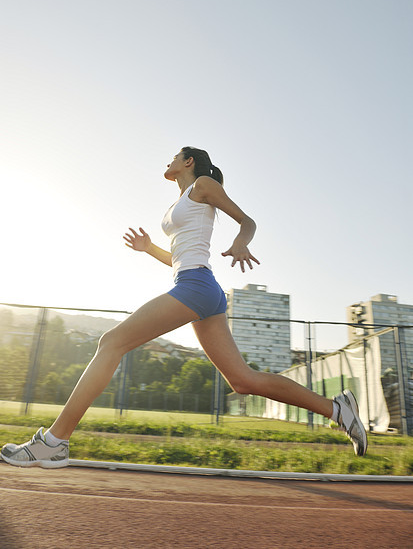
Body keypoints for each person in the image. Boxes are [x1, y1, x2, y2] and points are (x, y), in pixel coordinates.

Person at [1, 147, 367, 468]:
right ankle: (337, 410)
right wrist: (149, 249)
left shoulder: (203, 185)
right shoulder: (180, 203)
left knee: (111, 342)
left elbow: (247, 220)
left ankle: (55, 442)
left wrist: (240, 242)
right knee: (242, 381)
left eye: (176, 155)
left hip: (198, 286)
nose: (170, 160)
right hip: (196, 286)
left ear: (188, 162)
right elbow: (179, 258)